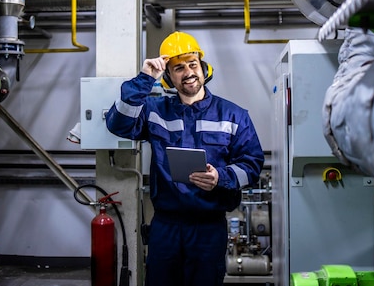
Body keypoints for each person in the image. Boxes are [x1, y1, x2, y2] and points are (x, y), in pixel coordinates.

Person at [105, 31, 264, 286]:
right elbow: (119, 124)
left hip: (209, 228)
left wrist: (220, 177)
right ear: (168, 77)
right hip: (166, 227)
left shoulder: (234, 115)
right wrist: (144, 79)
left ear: (203, 67)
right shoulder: (155, 111)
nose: (188, 72)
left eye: (193, 64)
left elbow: (252, 165)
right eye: (178, 68)